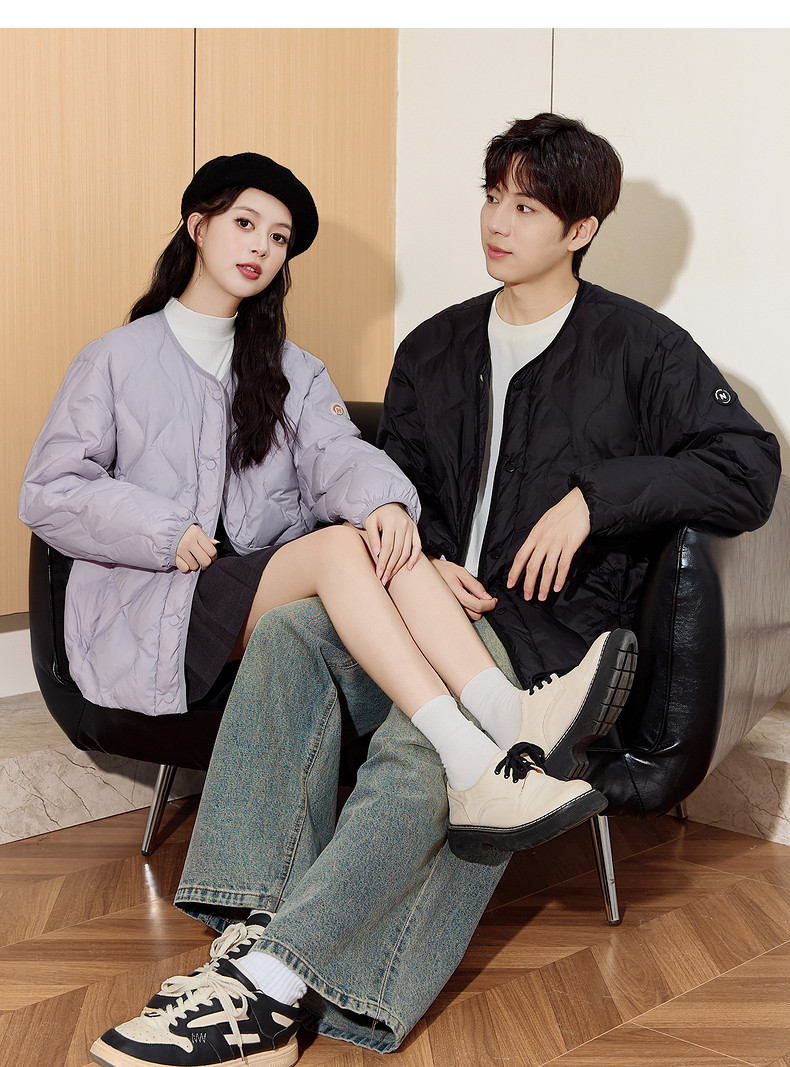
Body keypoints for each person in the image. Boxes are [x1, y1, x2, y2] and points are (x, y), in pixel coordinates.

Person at [80, 114, 778, 1067]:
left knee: (430, 738)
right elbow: (393, 486)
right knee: (287, 634)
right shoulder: (435, 346)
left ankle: (272, 989)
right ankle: (250, 927)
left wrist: (595, 498)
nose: (497, 221)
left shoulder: (642, 348)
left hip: (539, 635)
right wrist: (429, 556)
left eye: (525, 207)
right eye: (493, 197)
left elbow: (748, 468)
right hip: (420, 601)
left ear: (579, 229)